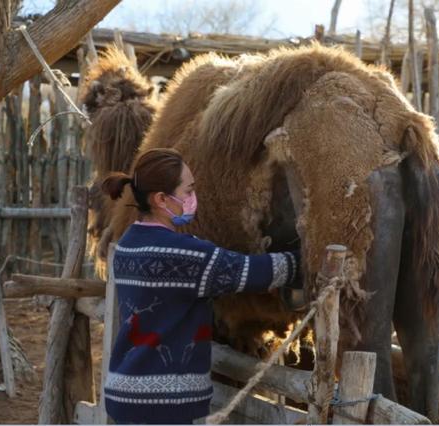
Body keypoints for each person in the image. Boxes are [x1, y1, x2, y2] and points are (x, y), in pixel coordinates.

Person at [100, 148, 302, 424]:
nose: (194, 199)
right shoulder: (187, 256)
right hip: (167, 406)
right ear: (161, 199)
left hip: (124, 393)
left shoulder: (127, 245)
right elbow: (255, 272)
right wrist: (309, 258)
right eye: (188, 191)